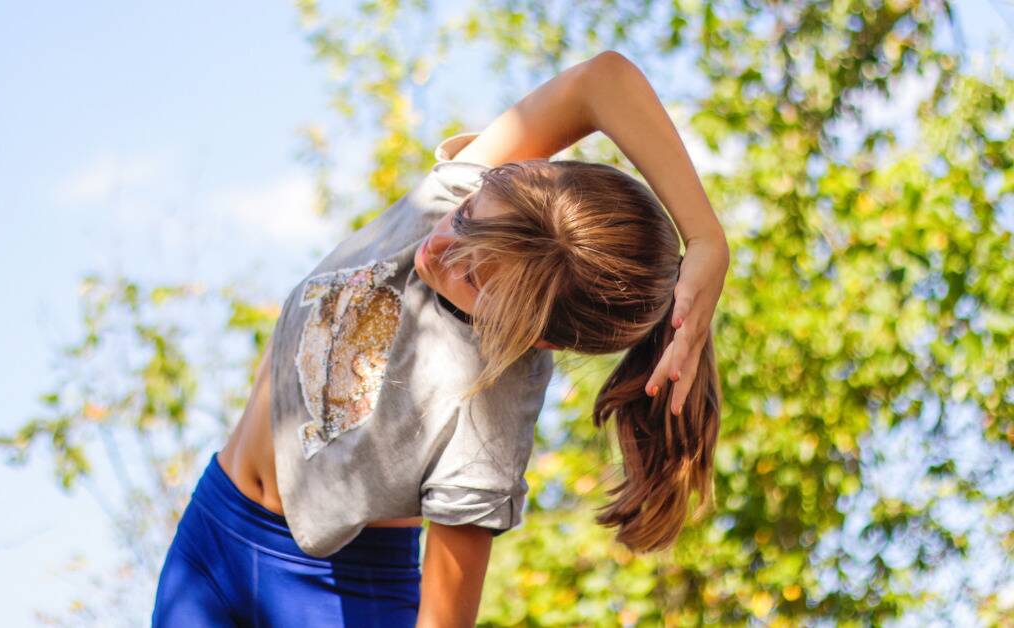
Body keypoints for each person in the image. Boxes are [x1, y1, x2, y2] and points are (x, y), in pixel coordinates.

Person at [152, 50, 729, 627]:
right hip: (212, 534)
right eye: (470, 212)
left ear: (536, 337)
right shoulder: (451, 201)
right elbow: (602, 81)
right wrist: (705, 237)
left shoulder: (486, 423)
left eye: (474, 276)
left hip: (337, 601)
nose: (441, 245)